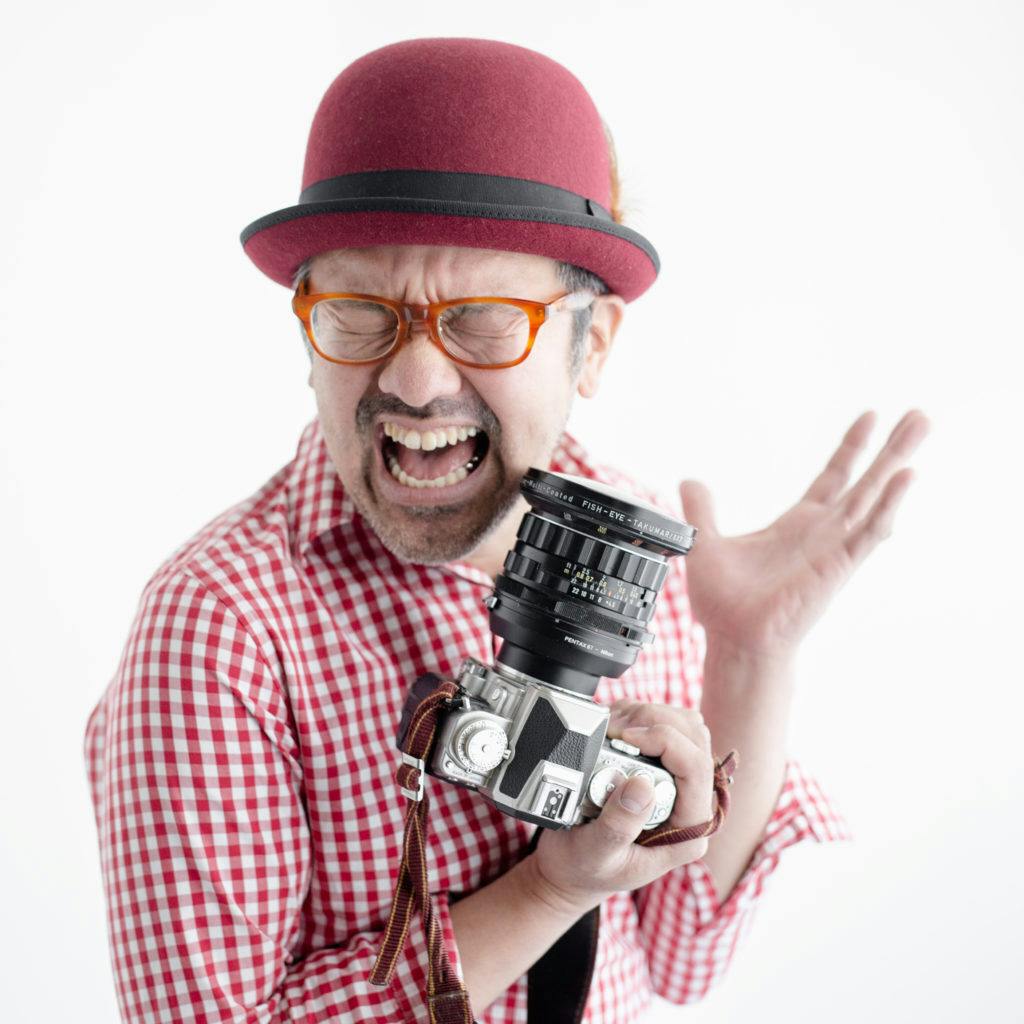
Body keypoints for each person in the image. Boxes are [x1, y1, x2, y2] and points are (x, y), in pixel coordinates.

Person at [83, 37, 929, 1024]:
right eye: (359, 314)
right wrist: (547, 892)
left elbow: (681, 957)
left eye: (483, 319)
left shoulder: (628, 555)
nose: (414, 381)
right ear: (306, 335)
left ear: (591, 345)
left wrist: (747, 659)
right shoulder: (219, 625)